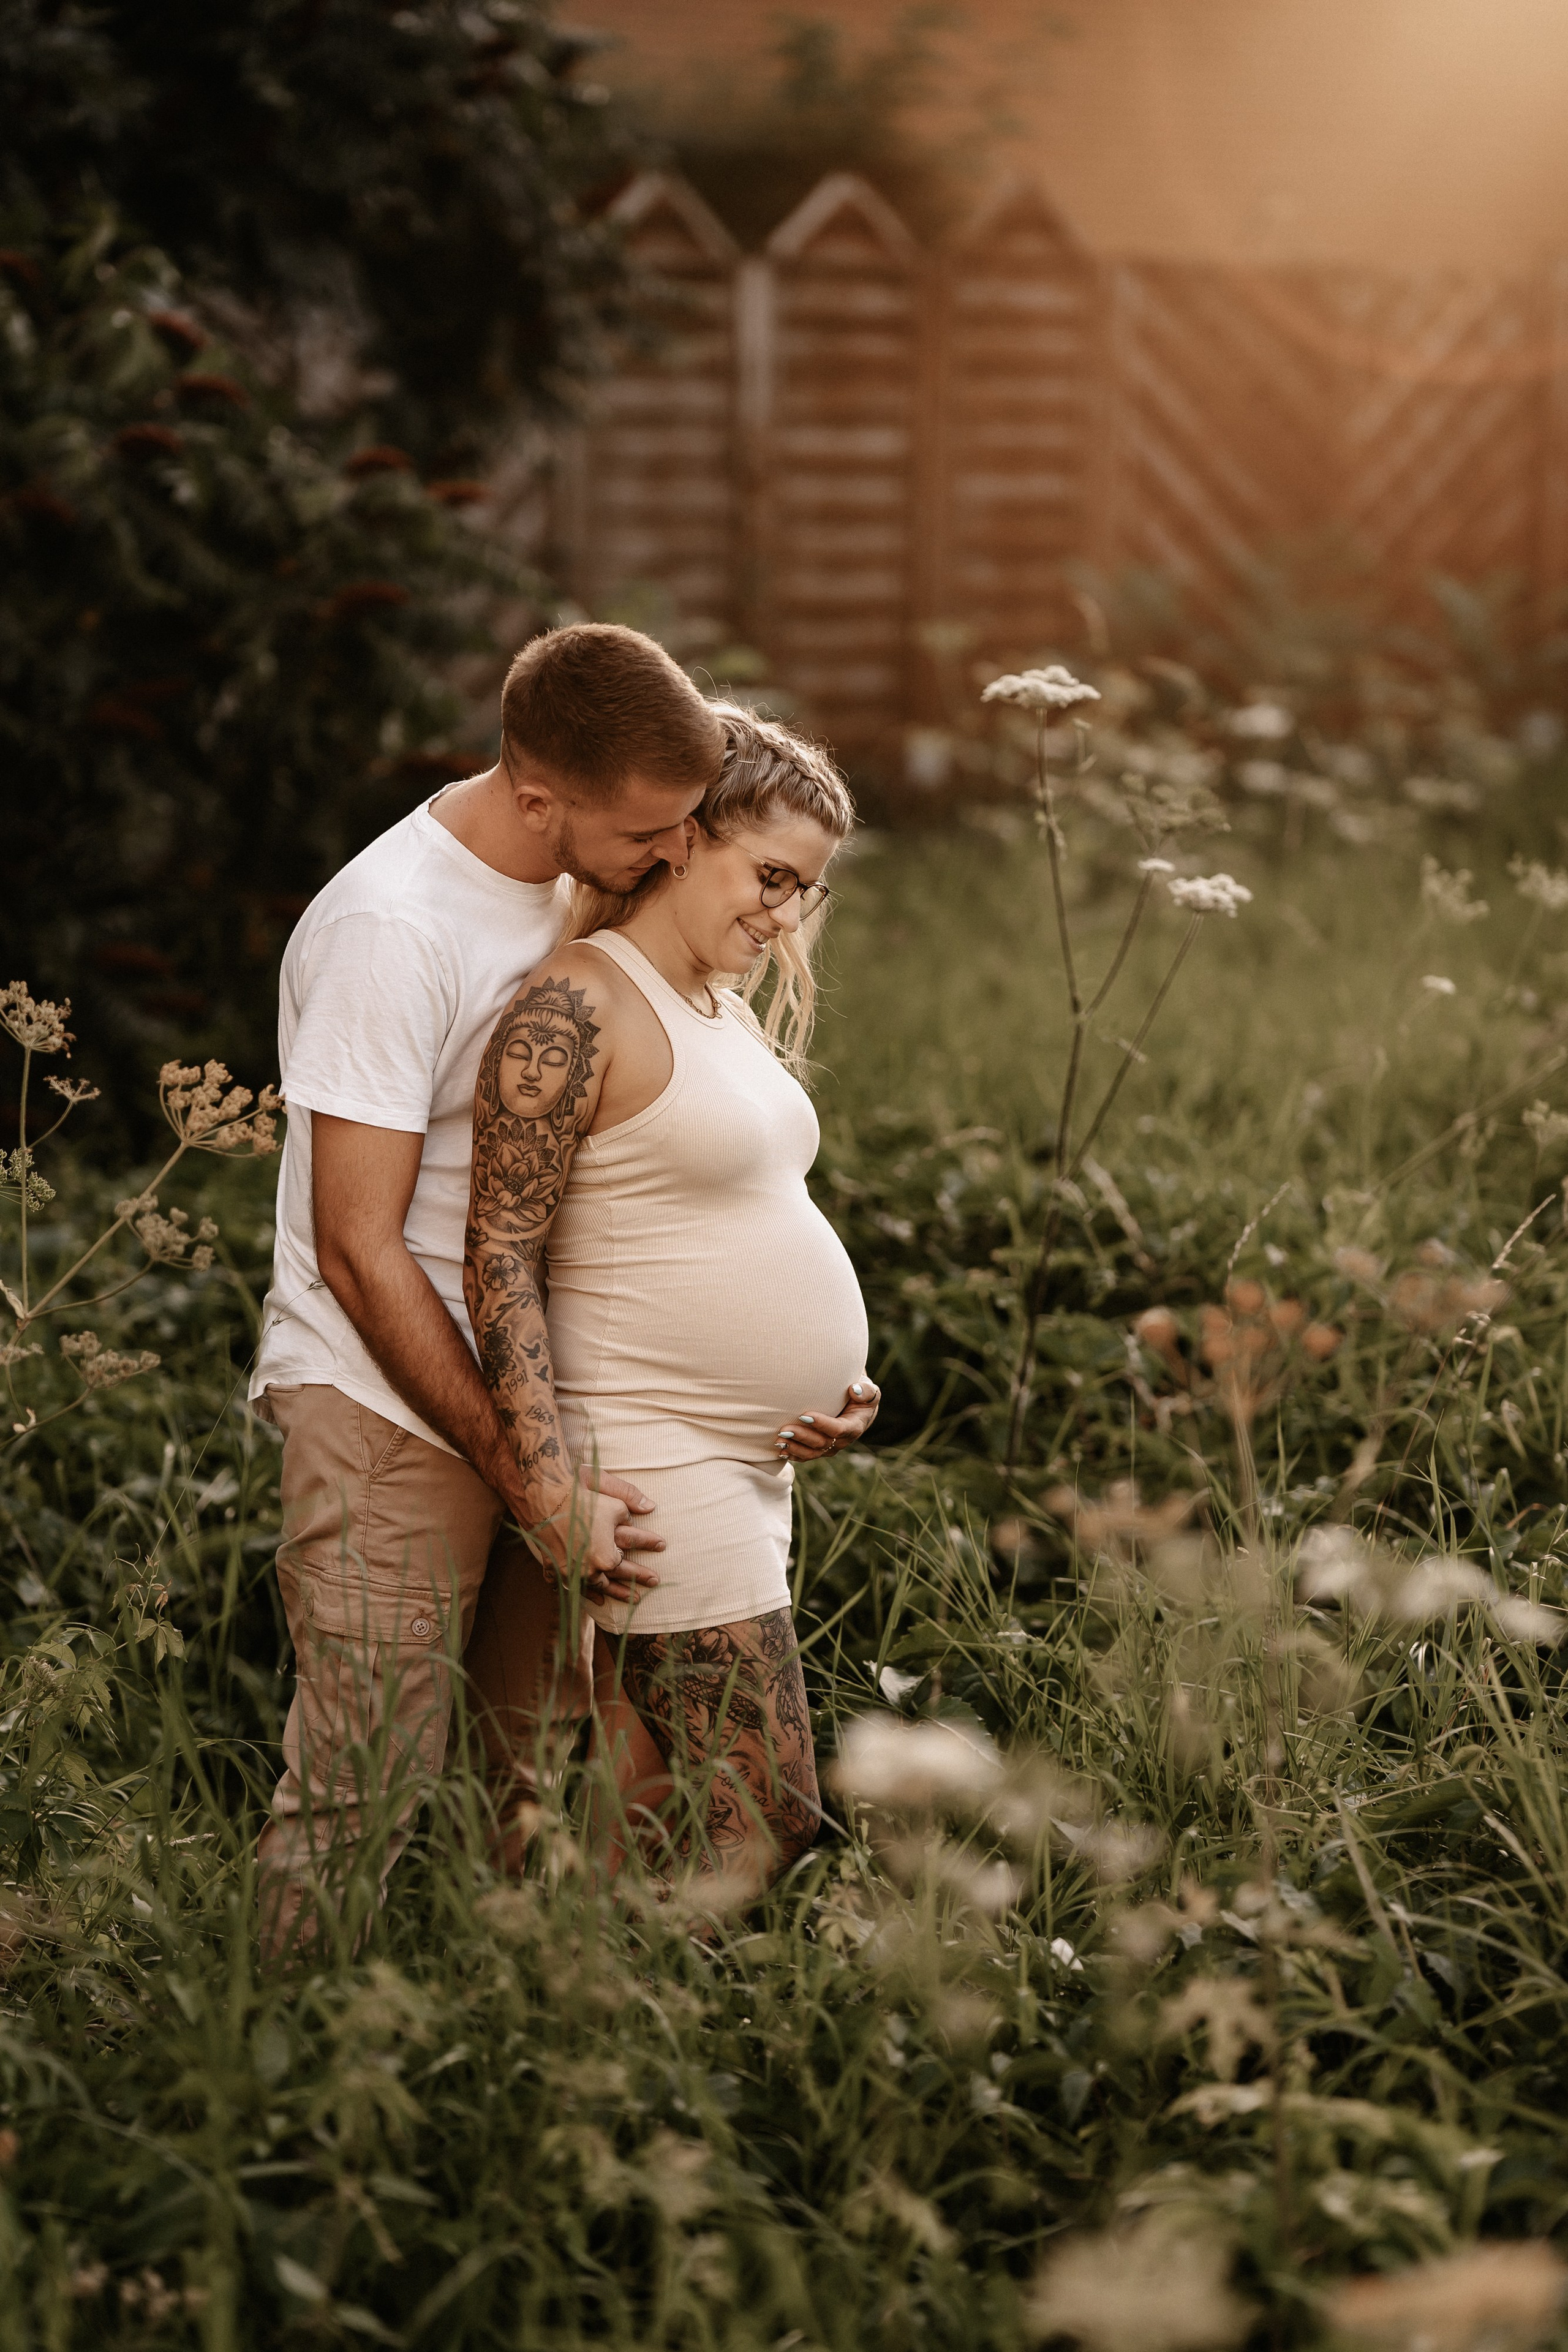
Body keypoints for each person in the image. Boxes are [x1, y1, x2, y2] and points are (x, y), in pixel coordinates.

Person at [249, 622, 726, 1956]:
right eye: (651, 831)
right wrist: (525, 1470)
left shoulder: (587, 877)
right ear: (536, 799)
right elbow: (357, 1245)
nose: (676, 853)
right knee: (362, 1789)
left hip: (535, 1396)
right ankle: (278, 2109)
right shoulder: (391, 930)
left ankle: (466, 2079)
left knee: (510, 1781)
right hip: (389, 1406)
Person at [465, 707, 881, 1899]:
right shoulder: (577, 1006)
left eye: (802, 891)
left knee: (648, 1822)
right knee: (767, 1816)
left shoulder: (720, 1005)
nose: (784, 914)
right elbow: (497, 1254)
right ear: (684, 837)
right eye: (768, 875)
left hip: (751, 1466)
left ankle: (589, 2042)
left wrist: (833, 1387)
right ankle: (606, 2040)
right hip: (655, 1467)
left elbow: (724, 1222)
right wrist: (551, 1492)